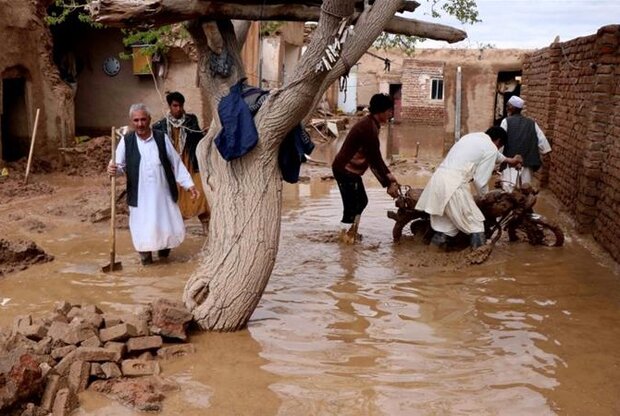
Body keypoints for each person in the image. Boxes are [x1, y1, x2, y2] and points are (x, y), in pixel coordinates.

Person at [108, 104, 199, 265]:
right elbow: (118, 166)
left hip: (162, 195)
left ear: (149, 120)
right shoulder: (126, 141)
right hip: (140, 197)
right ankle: (146, 261)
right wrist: (113, 169)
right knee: (143, 229)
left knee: (165, 229)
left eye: (143, 119)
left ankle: (164, 258)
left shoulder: (161, 137)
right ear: (131, 122)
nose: (140, 124)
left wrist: (189, 185)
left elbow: (176, 163)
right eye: (136, 120)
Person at [415, 127, 523, 249]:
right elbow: (480, 181)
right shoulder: (491, 148)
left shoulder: (471, 138)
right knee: (476, 225)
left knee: (446, 228)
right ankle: (477, 262)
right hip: (455, 186)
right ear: (498, 141)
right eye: (499, 146)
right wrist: (486, 199)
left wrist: (510, 160)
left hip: (438, 181)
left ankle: (431, 256)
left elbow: (494, 154)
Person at [332, 93, 400, 242]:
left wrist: (389, 177)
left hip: (350, 171)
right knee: (352, 206)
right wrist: (388, 183)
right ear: (381, 111)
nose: (391, 114)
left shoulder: (372, 124)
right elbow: (374, 159)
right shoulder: (368, 128)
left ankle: (351, 233)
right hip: (345, 170)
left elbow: (375, 158)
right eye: (389, 111)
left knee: (361, 201)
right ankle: (344, 239)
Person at [153, 91, 210, 234]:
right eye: (175, 106)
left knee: (200, 192)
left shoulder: (190, 121)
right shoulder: (160, 126)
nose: (178, 109)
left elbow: (197, 139)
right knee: (173, 197)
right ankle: (175, 231)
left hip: (190, 163)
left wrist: (205, 134)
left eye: (180, 106)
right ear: (170, 106)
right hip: (171, 167)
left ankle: (205, 227)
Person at [500, 95, 551, 191]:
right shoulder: (532, 123)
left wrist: (499, 158)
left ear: (513, 108)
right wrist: (545, 152)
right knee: (525, 189)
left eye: (508, 106)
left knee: (509, 189)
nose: (506, 108)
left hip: (510, 162)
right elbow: (542, 142)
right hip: (527, 162)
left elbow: (501, 142)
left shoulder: (506, 121)